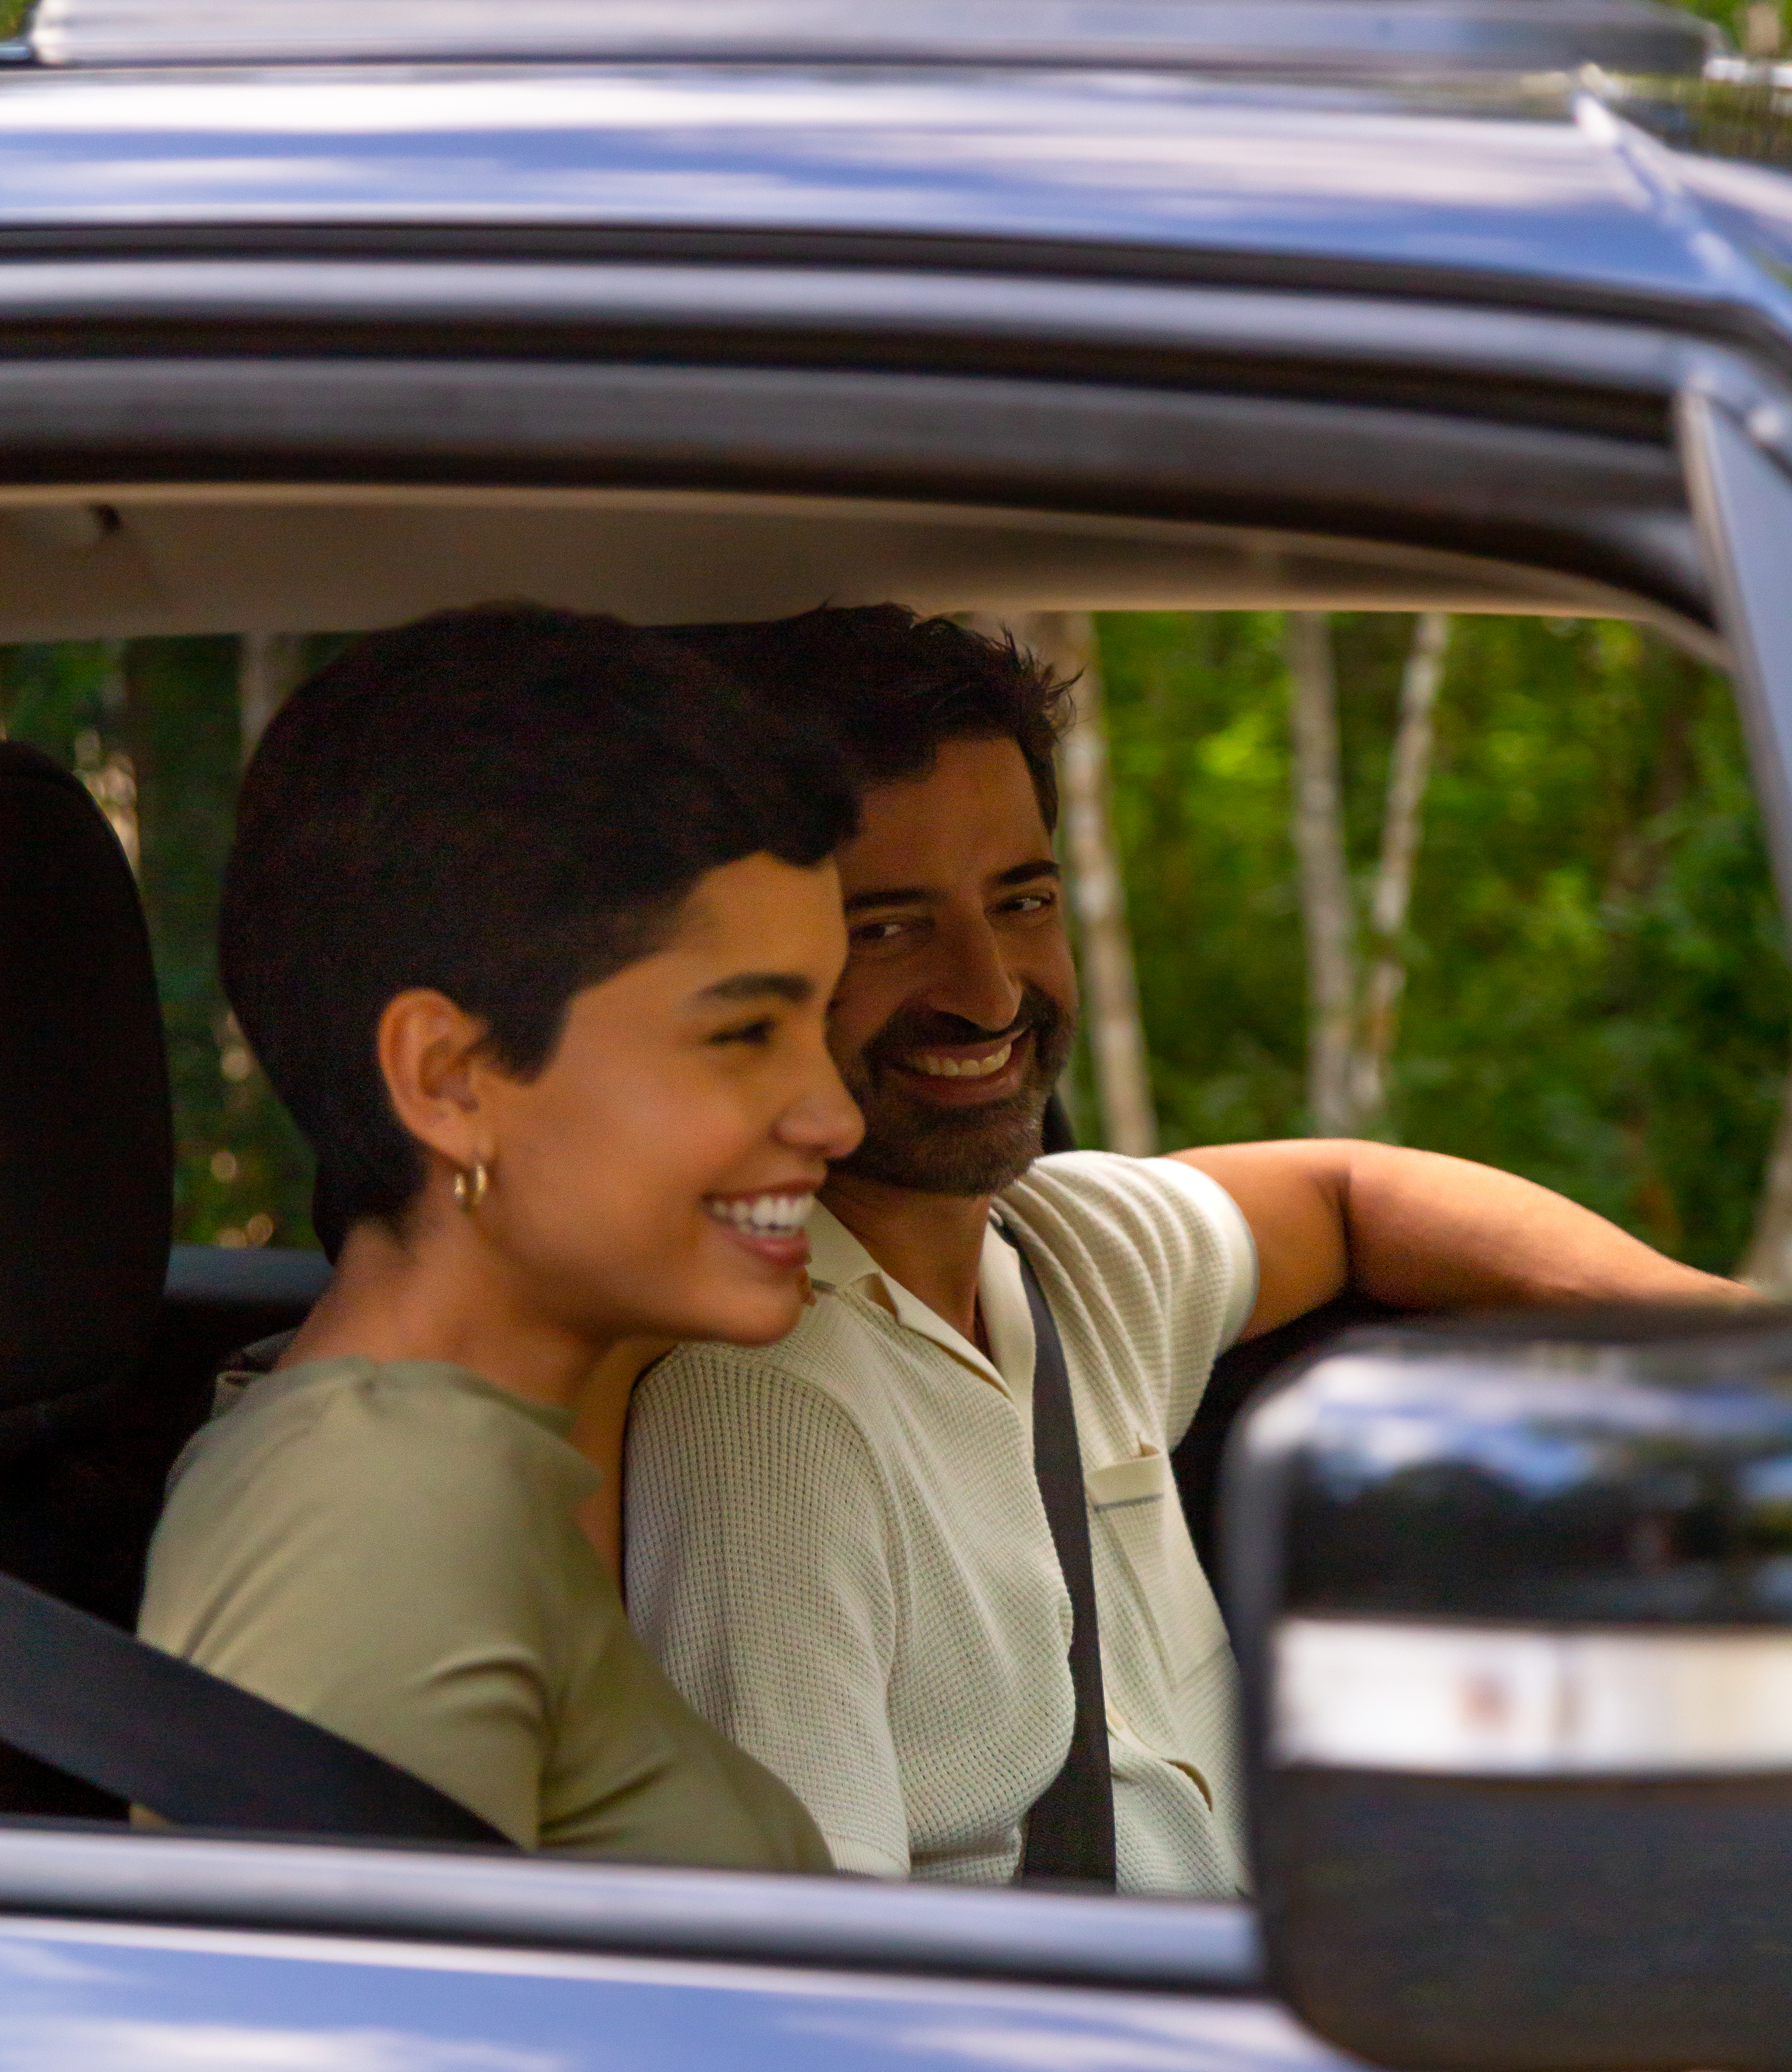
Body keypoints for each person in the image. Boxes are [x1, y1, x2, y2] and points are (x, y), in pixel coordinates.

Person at [622, 606, 1758, 1895]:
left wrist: (1739, 1338)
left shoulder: (1065, 1254)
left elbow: (1349, 1191)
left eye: (1023, 901)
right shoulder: (767, 1412)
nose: (989, 991)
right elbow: (807, 1975)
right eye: (888, 927)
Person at [139, 603, 865, 1868]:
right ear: (450, 1079)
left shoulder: (457, 1471)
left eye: (823, 1025)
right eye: (744, 1032)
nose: (837, 1116)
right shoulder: (375, 1517)